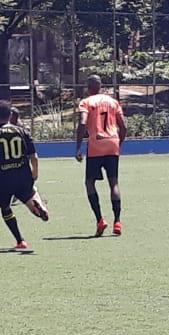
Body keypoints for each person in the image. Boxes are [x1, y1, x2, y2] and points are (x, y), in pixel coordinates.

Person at [0, 100, 49, 250]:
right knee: (29, 196)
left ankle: (20, 241)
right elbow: (34, 156)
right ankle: (39, 207)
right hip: (22, 176)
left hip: (3, 180)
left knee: (5, 208)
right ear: (10, 115)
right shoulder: (22, 132)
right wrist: (35, 172)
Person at [75, 75, 127, 237]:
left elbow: (82, 123)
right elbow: (123, 126)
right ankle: (117, 221)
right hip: (112, 143)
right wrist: (119, 142)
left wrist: (78, 147)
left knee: (89, 182)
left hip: (96, 145)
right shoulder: (113, 102)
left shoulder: (86, 102)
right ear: (100, 86)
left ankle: (100, 220)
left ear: (88, 87)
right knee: (114, 183)